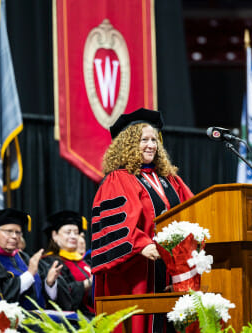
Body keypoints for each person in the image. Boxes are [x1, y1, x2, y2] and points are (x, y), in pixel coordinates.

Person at [91, 108, 194, 332]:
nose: (151, 145)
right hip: (137, 271)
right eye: (144, 140)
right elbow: (113, 225)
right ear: (128, 144)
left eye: (154, 140)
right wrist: (141, 243)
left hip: (173, 270)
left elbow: (195, 210)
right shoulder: (118, 179)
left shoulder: (171, 180)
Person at [0, 208, 62, 310]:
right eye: (9, 231)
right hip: (13, 322)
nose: (14, 236)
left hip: (39, 318)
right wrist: (29, 274)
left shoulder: (24, 258)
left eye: (18, 232)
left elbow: (41, 295)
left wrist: (49, 283)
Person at [39, 210, 94, 317]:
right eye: (68, 232)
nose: (73, 236)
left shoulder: (85, 262)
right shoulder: (50, 262)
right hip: (72, 320)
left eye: (76, 232)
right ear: (55, 235)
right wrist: (88, 283)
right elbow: (62, 294)